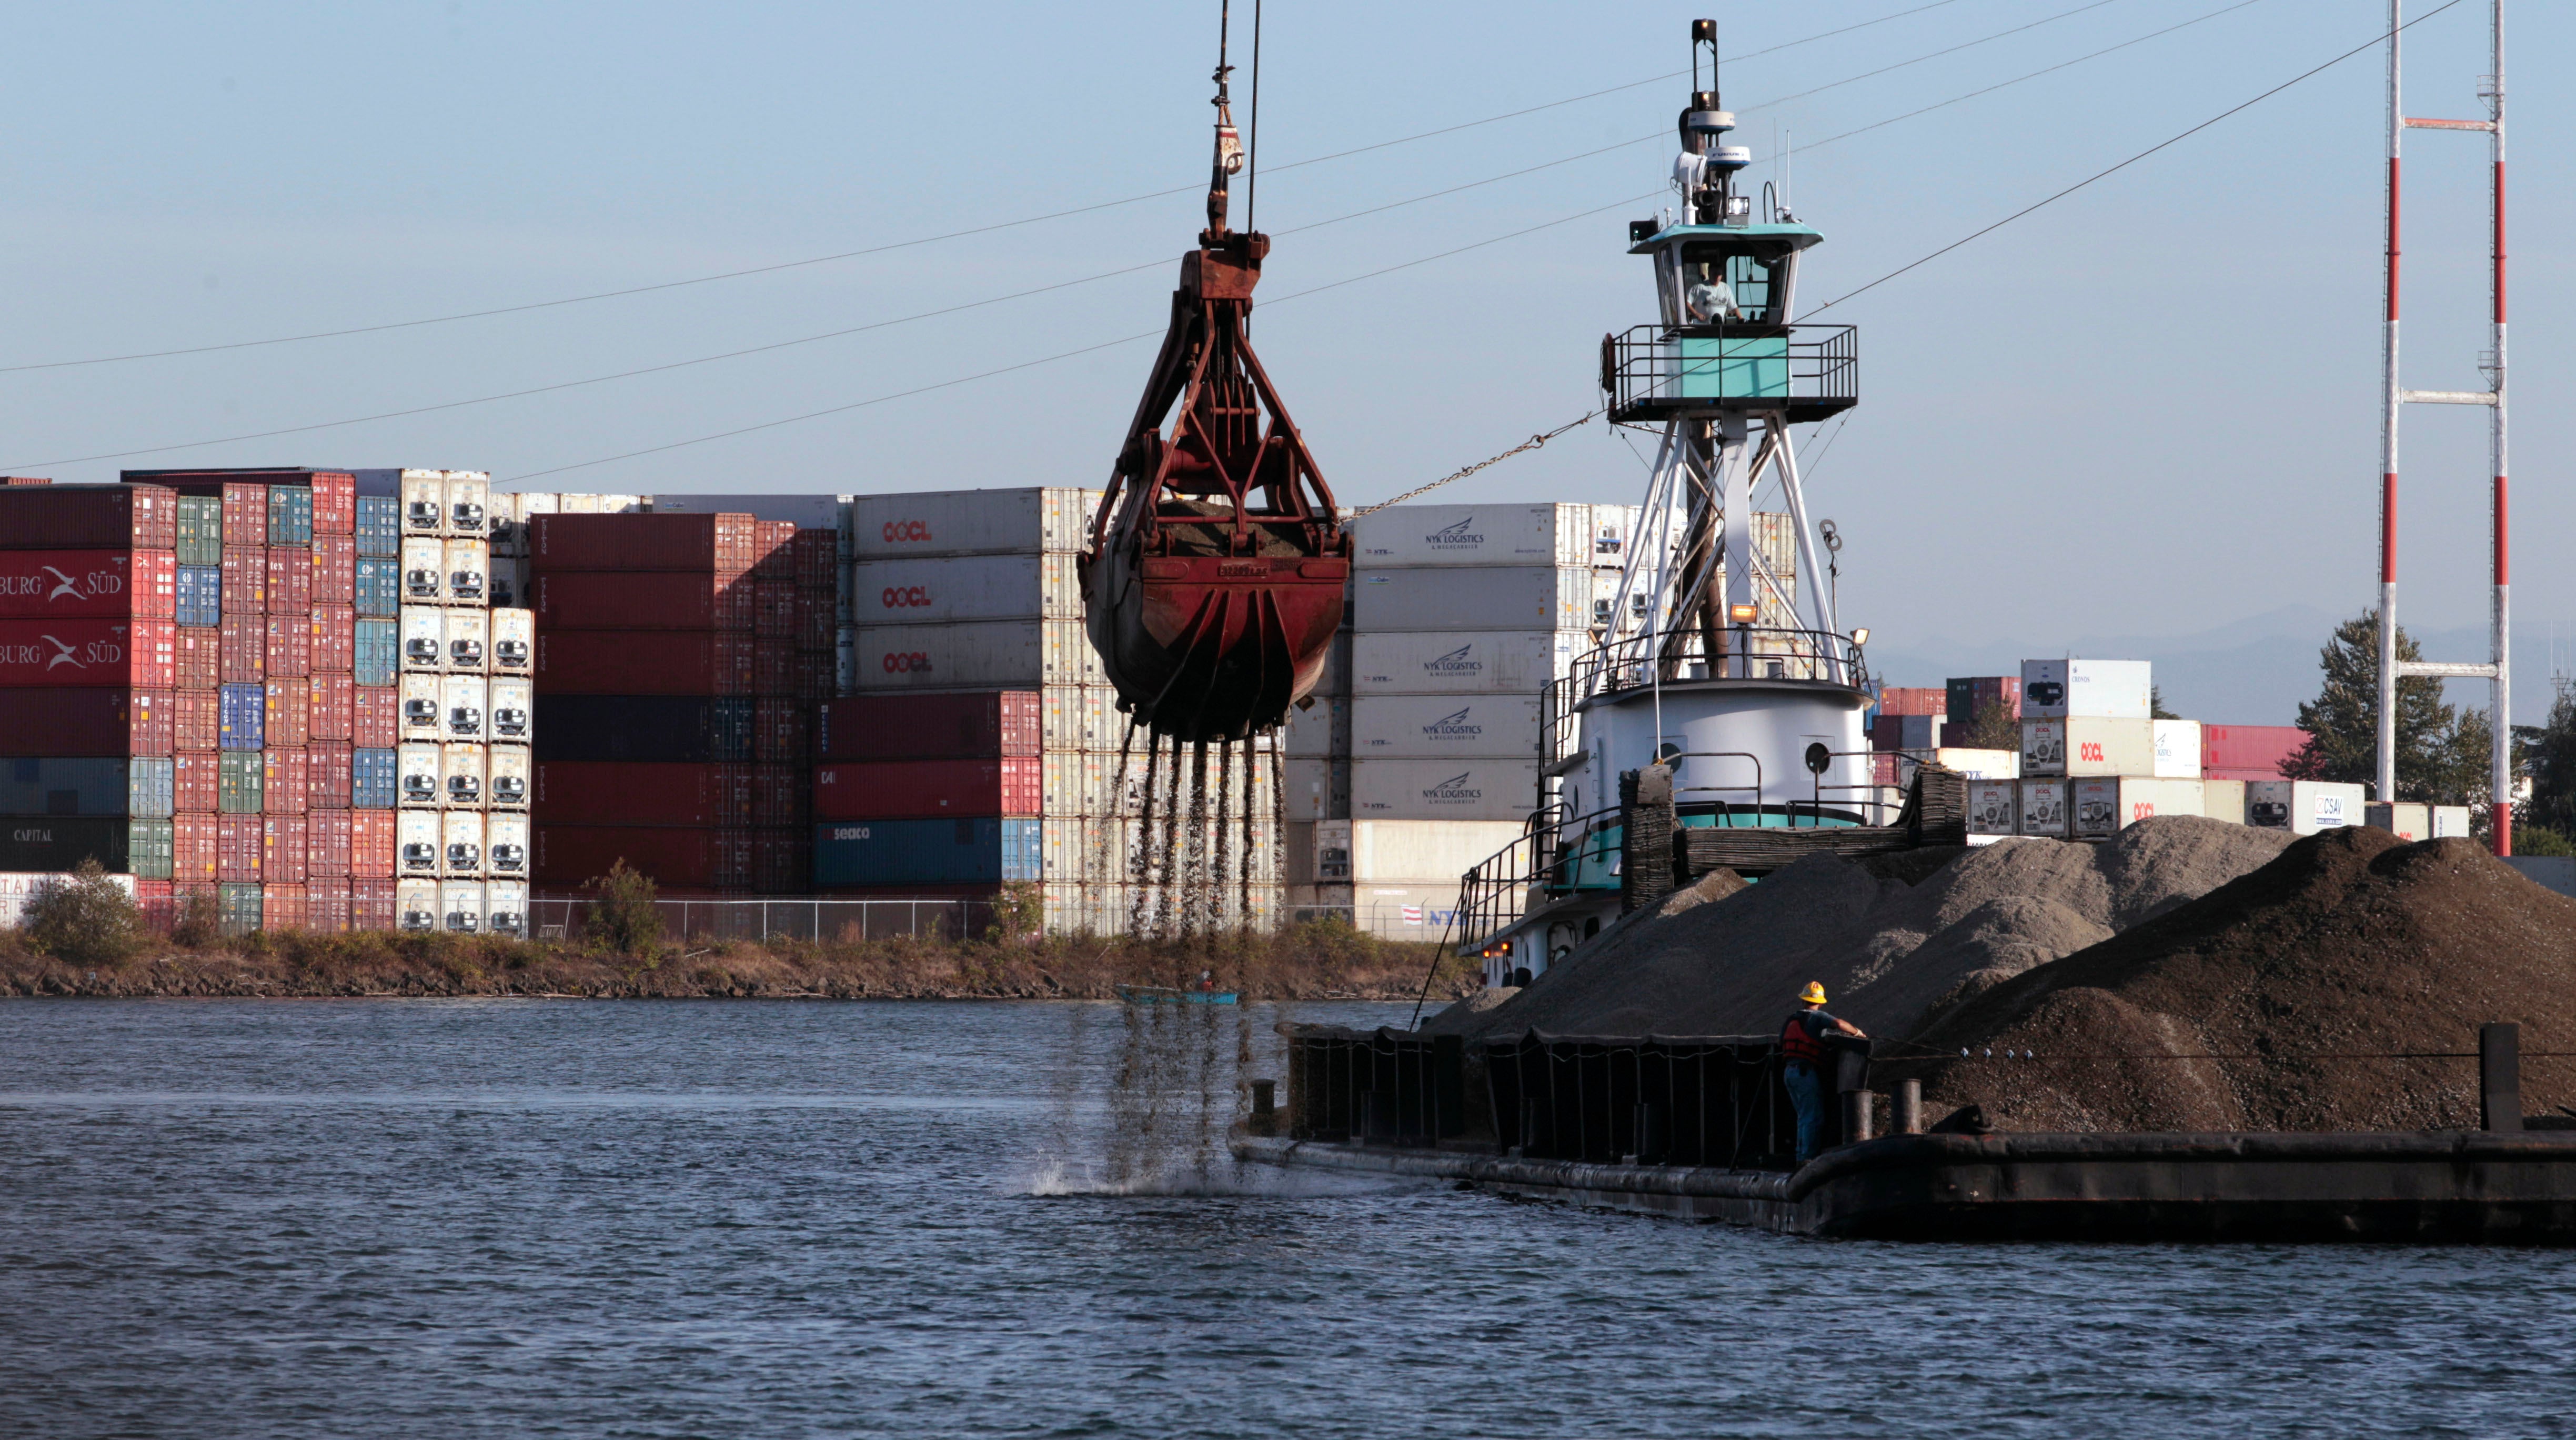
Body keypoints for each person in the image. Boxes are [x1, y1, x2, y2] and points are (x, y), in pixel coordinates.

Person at [1780, 981, 1867, 1163]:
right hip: (1805, 1074)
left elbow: (1782, 1042)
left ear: (1803, 1001)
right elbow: (1839, 1023)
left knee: (1803, 1117)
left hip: (1790, 1073)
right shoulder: (1818, 1017)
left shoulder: (1792, 1019)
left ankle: (1800, 1156)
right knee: (1812, 1118)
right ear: (1820, 1003)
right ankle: (1807, 1160)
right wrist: (1858, 1033)